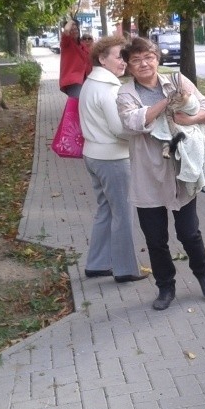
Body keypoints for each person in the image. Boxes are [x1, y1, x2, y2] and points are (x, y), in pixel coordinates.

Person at [117, 37, 205, 311]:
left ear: (157, 58)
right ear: (128, 65)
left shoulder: (176, 79)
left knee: (189, 233)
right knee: (155, 238)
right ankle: (165, 287)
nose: (143, 64)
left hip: (181, 171)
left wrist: (190, 119)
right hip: (148, 173)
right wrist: (168, 102)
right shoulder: (125, 93)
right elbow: (133, 121)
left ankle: (204, 275)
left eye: (148, 57)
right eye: (136, 60)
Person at [78, 35, 148, 283]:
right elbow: (120, 128)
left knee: (106, 210)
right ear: (102, 58)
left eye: (124, 57)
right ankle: (126, 269)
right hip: (113, 159)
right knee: (122, 213)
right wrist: (144, 129)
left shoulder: (90, 83)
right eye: (119, 56)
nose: (124, 62)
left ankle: (97, 263)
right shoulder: (109, 89)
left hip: (93, 155)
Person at [59, 18, 92, 98]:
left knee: (85, 105)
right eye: (72, 29)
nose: (74, 31)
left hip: (85, 79)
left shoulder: (82, 45)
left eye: (76, 29)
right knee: (77, 104)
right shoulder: (67, 43)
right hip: (73, 80)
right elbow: (66, 30)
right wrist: (72, 21)